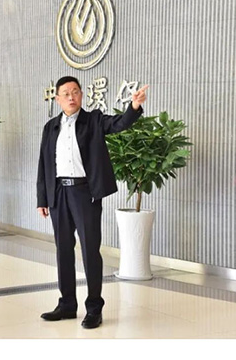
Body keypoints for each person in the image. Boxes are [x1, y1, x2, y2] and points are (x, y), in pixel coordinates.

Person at [36, 76, 148, 329]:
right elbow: (43, 164)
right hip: (58, 194)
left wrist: (134, 107)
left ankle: (94, 308)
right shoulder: (50, 127)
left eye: (75, 92)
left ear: (81, 95)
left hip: (84, 193)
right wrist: (42, 198)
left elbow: (119, 124)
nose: (71, 96)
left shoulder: (94, 120)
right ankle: (66, 305)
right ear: (57, 98)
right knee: (63, 250)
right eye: (66, 93)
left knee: (89, 250)